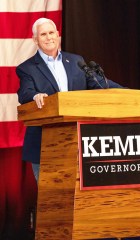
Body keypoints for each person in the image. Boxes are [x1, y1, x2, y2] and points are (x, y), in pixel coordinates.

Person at [16, 17, 123, 182]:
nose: (49, 37)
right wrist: (34, 96)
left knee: (79, 197)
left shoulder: (76, 61)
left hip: (80, 142)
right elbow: (24, 93)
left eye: (51, 32)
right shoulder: (27, 68)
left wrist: (127, 92)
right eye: (43, 34)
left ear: (58, 35)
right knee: (52, 200)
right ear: (35, 40)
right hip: (45, 144)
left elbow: (99, 84)